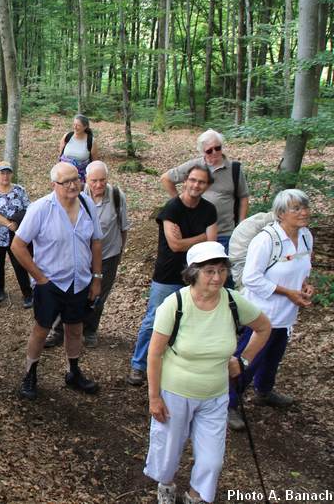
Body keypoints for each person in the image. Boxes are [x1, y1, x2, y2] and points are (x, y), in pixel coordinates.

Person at [144, 241, 270, 504]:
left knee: (212, 461)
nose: (217, 277)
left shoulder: (233, 301)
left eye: (222, 270)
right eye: (209, 271)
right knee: (167, 456)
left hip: (215, 395)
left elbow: (264, 327)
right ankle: (166, 486)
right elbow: (155, 354)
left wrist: (243, 361)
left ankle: (194, 496)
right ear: (194, 273)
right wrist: (154, 397)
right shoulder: (174, 304)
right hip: (175, 393)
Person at [11, 162, 103, 400]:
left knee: (75, 329)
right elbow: (18, 245)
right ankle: (30, 374)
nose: (73, 185)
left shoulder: (87, 204)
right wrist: (39, 278)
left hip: (80, 282)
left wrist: (97, 278)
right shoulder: (41, 208)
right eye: (67, 182)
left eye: (76, 179)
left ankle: (73, 372)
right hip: (50, 284)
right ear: (54, 185)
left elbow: (96, 242)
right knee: (41, 330)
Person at [227, 189, 314, 430]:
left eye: (305, 207)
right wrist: (288, 292)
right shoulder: (266, 240)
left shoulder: (306, 236)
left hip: (287, 314)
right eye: (297, 208)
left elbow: (302, 269)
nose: (304, 212)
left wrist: (305, 287)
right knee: (248, 359)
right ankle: (229, 403)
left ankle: (264, 391)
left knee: (274, 356)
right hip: (262, 313)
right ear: (281, 213)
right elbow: (251, 278)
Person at [128, 165, 218, 386]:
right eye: (193, 180)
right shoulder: (172, 208)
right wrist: (200, 237)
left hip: (197, 274)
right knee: (154, 319)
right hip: (168, 273)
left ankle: (176, 363)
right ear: (185, 181)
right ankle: (138, 365)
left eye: (202, 182)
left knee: (190, 320)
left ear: (207, 186)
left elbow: (213, 242)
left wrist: (197, 239)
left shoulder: (209, 210)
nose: (196, 185)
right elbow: (175, 245)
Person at [45, 160, 129, 348]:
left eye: (102, 180)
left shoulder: (116, 196)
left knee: (98, 295)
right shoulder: (78, 196)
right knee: (70, 292)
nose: (98, 185)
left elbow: (123, 228)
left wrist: (120, 252)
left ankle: (90, 330)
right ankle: (58, 330)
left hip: (108, 255)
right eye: (94, 181)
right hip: (81, 256)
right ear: (86, 180)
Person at [160, 129, 249, 252]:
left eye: (217, 148)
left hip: (226, 233)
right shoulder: (194, 166)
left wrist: (241, 225)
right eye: (209, 150)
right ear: (203, 151)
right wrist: (180, 205)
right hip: (197, 233)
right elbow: (166, 179)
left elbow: (243, 196)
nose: (214, 152)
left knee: (223, 269)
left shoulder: (234, 169)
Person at [0, 160, 32, 307]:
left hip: (16, 234)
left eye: (7, 172)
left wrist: (16, 223)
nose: (5, 176)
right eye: (2, 173)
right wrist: (8, 224)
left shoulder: (19, 190)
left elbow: (28, 208)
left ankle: (28, 294)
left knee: (19, 264)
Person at [57, 114, 99, 183]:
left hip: (81, 178)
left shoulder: (91, 141)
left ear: (85, 126)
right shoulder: (67, 136)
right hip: (63, 175)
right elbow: (60, 154)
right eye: (74, 124)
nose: (75, 127)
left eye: (78, 125)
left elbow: (94, 161)